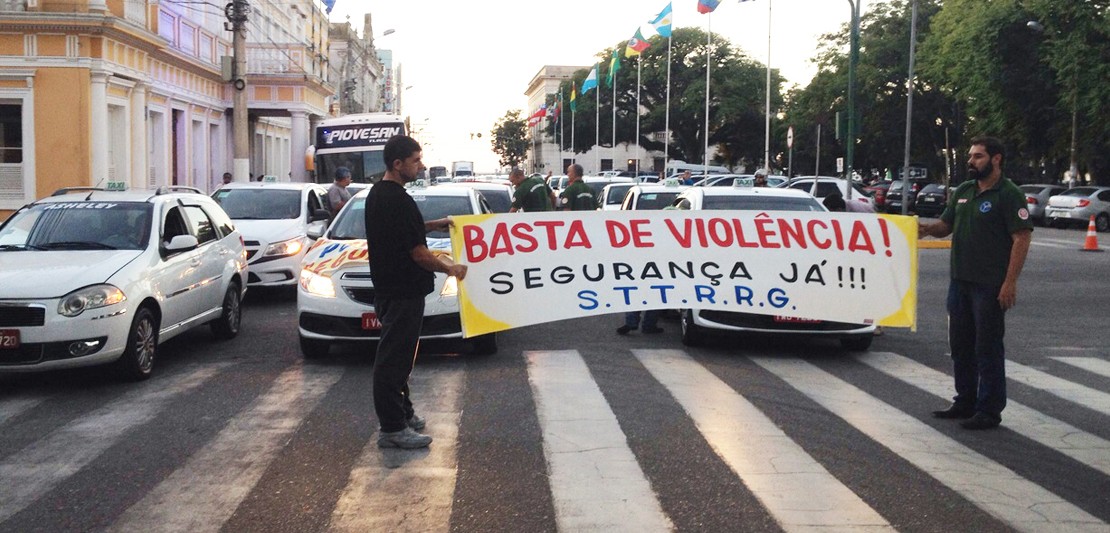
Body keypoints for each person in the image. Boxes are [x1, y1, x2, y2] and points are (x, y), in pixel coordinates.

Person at [919, 136, 1033, 430]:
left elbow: (1021, 238)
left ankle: (989, 409)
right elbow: (946, 226)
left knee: (987, 347)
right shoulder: (965, 190)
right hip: (960, 282)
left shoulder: (1008, 194)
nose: (971, 161)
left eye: (978, 156)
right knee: (960, 344)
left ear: (996, 159)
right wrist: (923, 229)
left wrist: (1010, 282)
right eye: (971, 156)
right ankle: (965, 400)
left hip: (990, 285)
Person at [365, 135, 468, 449]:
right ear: (398, 165)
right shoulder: (397, 198)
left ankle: (403, 414)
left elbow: (403, 229)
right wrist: (450, 269)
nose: (421, 166)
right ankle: (392, 429)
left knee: (401, 360)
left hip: (392, 291)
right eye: (416, 160)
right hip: (401, 293)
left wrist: (433, 224)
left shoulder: (380, 194)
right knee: (393, 362)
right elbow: (418, 254)